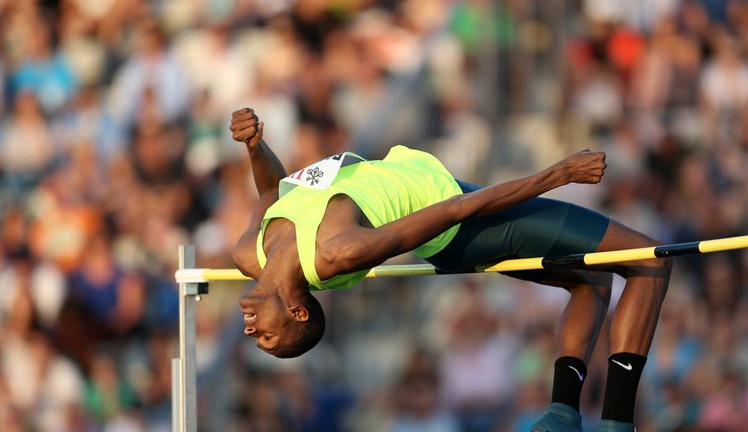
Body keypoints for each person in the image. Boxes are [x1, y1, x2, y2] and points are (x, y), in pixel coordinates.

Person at [230, 108, 671, 432]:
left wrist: (254, 146)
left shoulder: (250, 252)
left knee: (590, 280)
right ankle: (616, 423)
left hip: (449, 196)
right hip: (467, 226)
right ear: (297, 311)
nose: (253, 332)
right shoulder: (337, 254)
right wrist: (559, 173)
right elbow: (460, 209)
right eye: (269, 337)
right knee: (649, 256)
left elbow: (272, 187)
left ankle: (562, 414)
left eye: (261, 338)